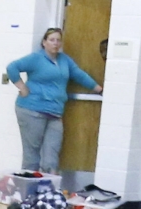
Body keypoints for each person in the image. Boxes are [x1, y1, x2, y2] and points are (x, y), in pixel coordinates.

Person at [7, 28, 104, 174]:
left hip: (55, 112)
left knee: (52, 153)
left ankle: (49, 189)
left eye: (58, 40)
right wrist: (22, 88)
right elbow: (12, 67)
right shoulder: (36, 58)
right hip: (32, 110)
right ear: (44, 42)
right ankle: (28, 189)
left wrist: (98, 89)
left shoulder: (64, 60)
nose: (55, 43)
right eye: (52, 40)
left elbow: (79, 75)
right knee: (32, 154)